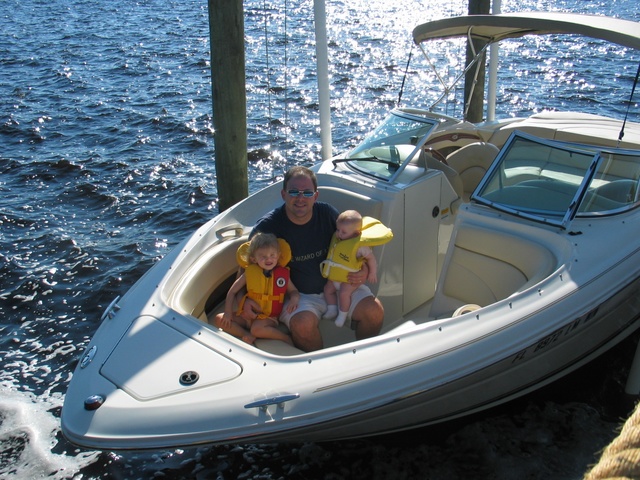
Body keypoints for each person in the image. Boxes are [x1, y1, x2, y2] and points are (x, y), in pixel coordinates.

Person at [249, 166, 384, 351]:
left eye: (307, 192)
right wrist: (244, 298)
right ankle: (324, 372)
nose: (300, 198)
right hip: (298, 296)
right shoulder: (268, 226)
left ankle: (362, 361)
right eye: (294, 191)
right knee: (302, 325)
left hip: (338, 284)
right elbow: (246, 264)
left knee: (374, 312)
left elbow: (356, 245)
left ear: (316, 196)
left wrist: (364, 271)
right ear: (283, 194)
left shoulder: (328, 214)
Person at [212, 232, 299, 345]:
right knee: (219, 318)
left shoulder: (282, 274)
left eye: (272, 255)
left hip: (267, 317)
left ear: (278, 255)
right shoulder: (249, 273)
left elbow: (293, 291)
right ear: (253, 259)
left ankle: (285, 338)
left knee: (256, 329)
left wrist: (294, 299)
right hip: (247, 316)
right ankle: (245, 334)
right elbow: (232, 291)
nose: (268, 259)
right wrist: (228, 313)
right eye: (263, 256)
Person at [321, 210, 391, 327]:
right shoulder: (338, 240)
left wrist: (372, 272)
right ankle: (332, 309)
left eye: (343, 232)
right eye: (338, 230)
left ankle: (342, 316)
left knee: (344, 293)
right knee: (328, 289)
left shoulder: (360, 246)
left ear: (356, 234)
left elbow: (371, 259)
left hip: (350, 278)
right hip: (335, 277)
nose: (339, 234)